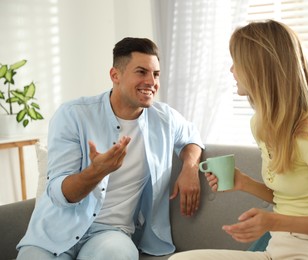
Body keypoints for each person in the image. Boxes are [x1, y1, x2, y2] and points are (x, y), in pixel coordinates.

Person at [168, 20, 308, 260]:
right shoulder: (262, 125)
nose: (231, 70)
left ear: (259, 68)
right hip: (277, 251)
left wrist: (274, 221)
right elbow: (290, 199)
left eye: (236, 62)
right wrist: (244, 182)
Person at [16, 37, 204, 260]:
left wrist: (190, 167)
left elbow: (192, 138)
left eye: (156, 74)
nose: (151, 81)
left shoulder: (164, 119)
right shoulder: (73, 115)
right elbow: (59, 193)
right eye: (141, 72)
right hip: (55, 231)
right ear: (115, 75)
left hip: (111, 235)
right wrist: (97, 171)